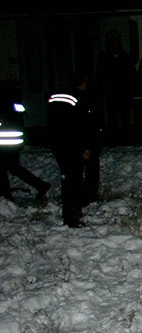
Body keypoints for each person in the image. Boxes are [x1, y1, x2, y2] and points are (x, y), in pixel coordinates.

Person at [47, 72, 100, 227]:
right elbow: (81, 126)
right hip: (74, 146)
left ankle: (72, 212)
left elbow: (53, 122)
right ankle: (72, 216)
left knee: (68, 179)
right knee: (74, 181)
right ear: (82, 83)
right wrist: (85, 148)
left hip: (59, 145)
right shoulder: (80, 98)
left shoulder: (55, 97)